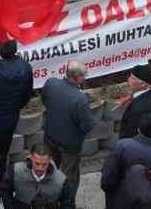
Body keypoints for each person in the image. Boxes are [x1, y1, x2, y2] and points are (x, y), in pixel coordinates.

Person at [40, 61, 94, 209]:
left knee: (49, 170)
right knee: (69, 177)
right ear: (79, 78)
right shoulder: (80, 99)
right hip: (70, 146)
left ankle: (48, 201)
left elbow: (44, 100)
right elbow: (87, 125)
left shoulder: (51, 83)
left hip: (50, 138)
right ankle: (66, 204)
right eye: (85, 75)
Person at [0, 148, 65, 209]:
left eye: (44, 164)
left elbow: (68, 204)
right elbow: (5, 190)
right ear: (31, 158)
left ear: (50, 160)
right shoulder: (15, 171)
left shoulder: (61, 180)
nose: (40, 168)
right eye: (37, 163)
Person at [117, 66, 151, 141]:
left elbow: (131, 132)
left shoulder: (139, 109)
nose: (128, 80)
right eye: (130, 76)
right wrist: (129, 97)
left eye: (133, 78)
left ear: (143, 84)